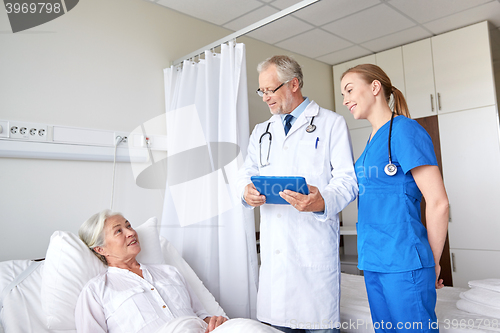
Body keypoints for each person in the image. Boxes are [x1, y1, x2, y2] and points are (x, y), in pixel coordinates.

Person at [237, 55, 358, 332]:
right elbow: (246, 172)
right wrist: (246, 192)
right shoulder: (262, 131)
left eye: (270, 90)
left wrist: (322, 201)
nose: (265, 98)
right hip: (275, 259)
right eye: (262, 91)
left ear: (293, 84)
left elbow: (347, 181)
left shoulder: (331, 123)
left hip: (312, 253)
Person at [340, 64, 449, 332]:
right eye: (343, 94)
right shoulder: (371, 141)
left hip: (404, 261)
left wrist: (432, 263)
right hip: (374, 261)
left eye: (350, 90)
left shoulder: (404, 131)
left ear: (375, 88)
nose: (345, 101)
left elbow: (438, 202)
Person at [75, 210, 228, 333]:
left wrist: (217, 322)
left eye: (129, 226)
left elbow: (200, 315)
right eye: (118, 231)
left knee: (248, 327)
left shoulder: (170, 273)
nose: (131, 233)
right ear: (100, 249)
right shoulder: (95, 291)